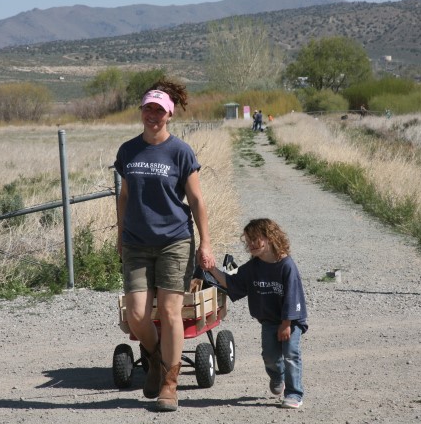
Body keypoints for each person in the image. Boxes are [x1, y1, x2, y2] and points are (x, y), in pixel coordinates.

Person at [114, 79, 215, 412]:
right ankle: (157, 360)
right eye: (148, 109)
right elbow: (125, 196)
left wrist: (206, 243)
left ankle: (170, 385)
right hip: (136, 243)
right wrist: (120, 235)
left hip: (175, 241)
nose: (153, 115)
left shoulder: (180, 151)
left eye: (159, 110)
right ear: (141, 112)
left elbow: (197, 200)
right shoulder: (128, 150)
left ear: (169, 115)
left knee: (171, 312)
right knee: (137, 315)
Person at [207, 218, 308, 409]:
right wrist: (211, 269)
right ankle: (277, 376)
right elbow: (232, 283)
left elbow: (293, 297)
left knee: (291, 355)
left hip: (290, 321)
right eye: (248, 240)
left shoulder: (286, 266)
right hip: (268, 321)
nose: (251, 244)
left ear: (270, 238)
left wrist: (286, 324)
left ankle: (294, 393)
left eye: (256, 239)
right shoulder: (253, 267)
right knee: (269, 356)